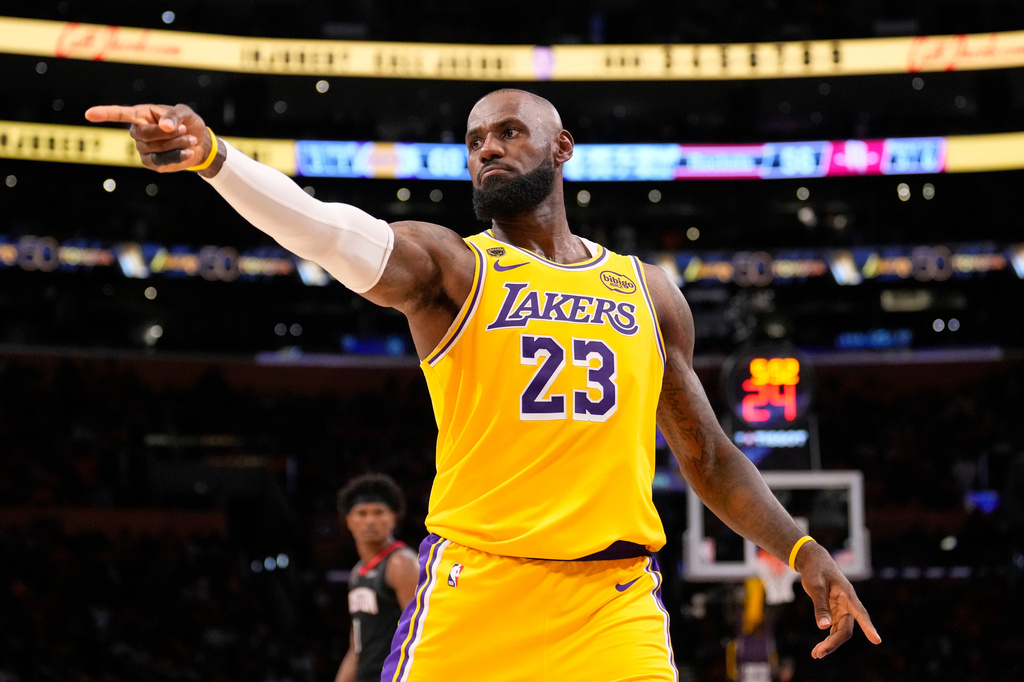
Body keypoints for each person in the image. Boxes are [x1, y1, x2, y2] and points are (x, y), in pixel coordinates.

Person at [85, 89, 881, 681]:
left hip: (612, 600)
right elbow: (327, 228)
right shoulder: (453, 267)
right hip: (478, 585)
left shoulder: (648, 291)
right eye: (473, 141)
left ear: (562, 147)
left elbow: (707, 454)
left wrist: (802, 548)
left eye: (508, 132)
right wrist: (215, 158)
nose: (487, 150)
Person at [334, 474, 418, 682]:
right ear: (348, 521)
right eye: (361, 513)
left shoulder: (401, 564)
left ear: (394, 518)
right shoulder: (357, 572)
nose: (370, 520)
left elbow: (421, 633)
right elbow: (356, 648)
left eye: (379, 512)